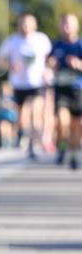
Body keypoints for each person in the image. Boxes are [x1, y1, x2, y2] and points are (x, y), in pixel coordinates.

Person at [0, 13, 51, 159]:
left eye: (28, 23)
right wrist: (10, 65)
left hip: (37, 83)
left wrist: (47, 70)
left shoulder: (41, 39)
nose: (25, 26)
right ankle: (26, 138)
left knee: (35, 112)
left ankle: (35, 143)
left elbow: (50, 59)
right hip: (19, 84)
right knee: (23, 116)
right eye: (22, 23)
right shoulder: (12, 41)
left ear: (35, 24)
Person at [49, 12, 82, 169]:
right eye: (64, 23)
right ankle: (62, 146)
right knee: (63, 122)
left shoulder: (80, 45)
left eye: (69, 23)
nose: (66, 27)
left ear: (77, 26)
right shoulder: (56, 46)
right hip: (61, 89)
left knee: (77, 124)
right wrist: (50, 65)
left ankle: (73, 154)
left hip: (78, 90)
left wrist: (79, 65)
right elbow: (48, 64)